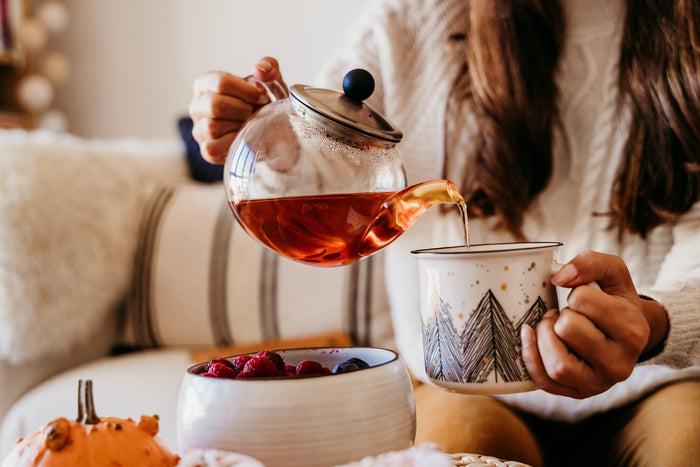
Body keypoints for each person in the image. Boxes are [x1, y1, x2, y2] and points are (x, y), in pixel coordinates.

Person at [188, 0, 700, 465]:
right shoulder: (411, 23)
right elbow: (318, 160)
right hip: (458, 388)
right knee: (452, 446)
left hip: (658, 379)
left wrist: (655, 321)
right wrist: (265, 142)